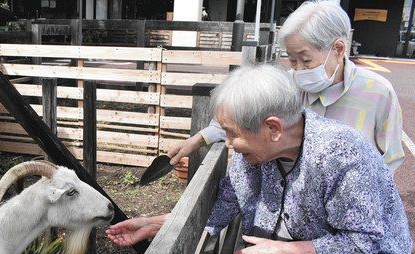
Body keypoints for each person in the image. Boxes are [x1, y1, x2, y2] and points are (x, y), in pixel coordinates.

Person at [106, 64, 412, 254]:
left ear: (273, 128)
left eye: (232, 133)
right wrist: (159, 223)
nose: (228, 143)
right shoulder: (256, 154)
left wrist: (284, 253)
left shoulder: (343, 156)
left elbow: (362, 242)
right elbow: (227, 202)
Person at [168, 0, 405, 173]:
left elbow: (390, 159)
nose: (299, 69)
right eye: (292, 60)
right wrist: (197, 140)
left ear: (338, 49)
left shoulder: (377, 93)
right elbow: (242, 118)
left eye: (306, 59)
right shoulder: (286, 85)